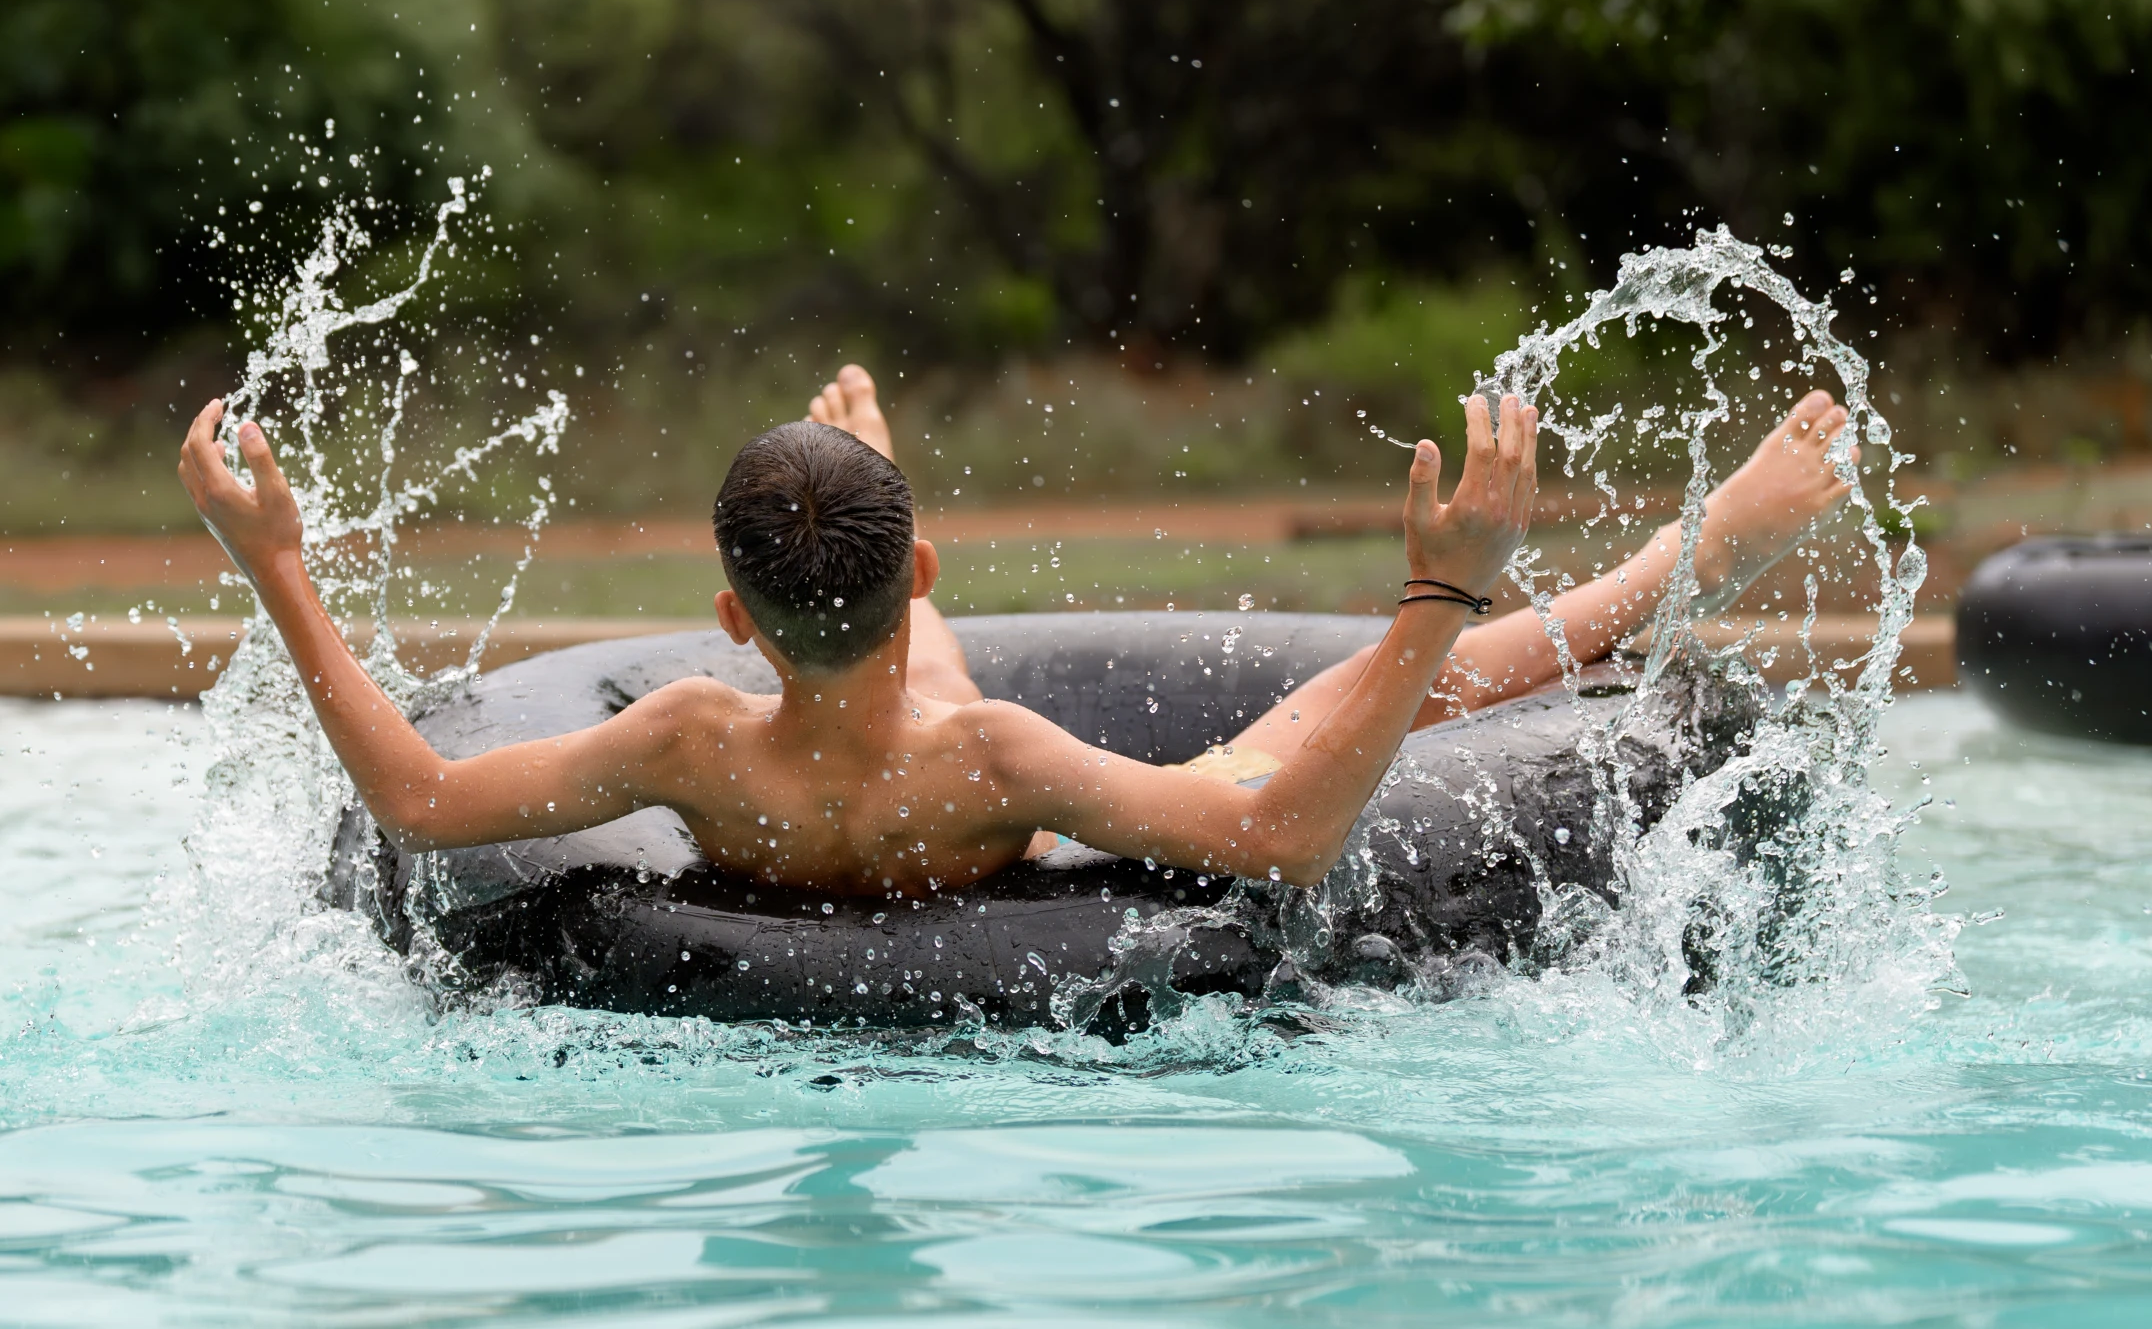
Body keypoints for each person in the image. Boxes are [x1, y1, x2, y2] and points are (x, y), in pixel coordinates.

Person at [174, 366, 1847, 899]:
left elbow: (415, 794)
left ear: (731, 617)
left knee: (913, 706)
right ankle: (1699, 555)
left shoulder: (683, 737)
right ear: (914, 578)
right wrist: (1440, 588)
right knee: (1345, 698)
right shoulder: (998, 759)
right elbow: (1275, 829)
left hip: (847, 760)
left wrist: (279, 566)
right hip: (962, 805)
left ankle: (851, 510)